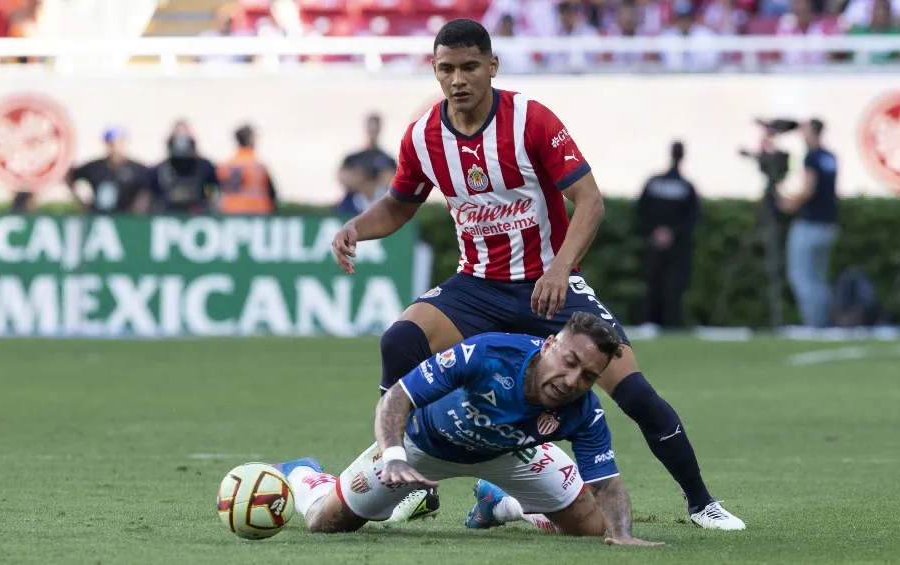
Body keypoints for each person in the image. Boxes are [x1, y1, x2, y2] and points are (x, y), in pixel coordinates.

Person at [330, 18, 745, 530]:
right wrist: (356, 227)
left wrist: (559, 268)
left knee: (635, 394)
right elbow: (399, 205)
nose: (458, 79)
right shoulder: (423, 137)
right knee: (400, 339)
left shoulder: (530, 119)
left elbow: (590, 201)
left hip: (551, 287)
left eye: (469, 67)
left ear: (491, 67)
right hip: (476, 286)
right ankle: (403, 472)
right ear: (434, 71)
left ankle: (701, 502)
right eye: (446, 69)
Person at [274, 313, 662, 546]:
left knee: (592, 527)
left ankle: (503, 503)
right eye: (570, 361)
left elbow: (607, 483)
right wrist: (393, 455)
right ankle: (305, 474)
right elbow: (397, 397)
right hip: (420, 448)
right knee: (326, 524)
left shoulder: (585, 409)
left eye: (588, 375)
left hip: (512, 454)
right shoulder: (487, 354)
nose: (572, 379)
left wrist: (624, 535)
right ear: (548, 346)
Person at [780, 118, 839, 328]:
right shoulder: (830, 157)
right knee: (819, 279)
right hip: (829, 223)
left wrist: (789, 203)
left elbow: (808, 188)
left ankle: (813, 323)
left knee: (801, 277)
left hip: (810, 223)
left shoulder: (812, 157)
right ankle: (824, 321)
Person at [636, 141, 701, 328]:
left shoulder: (658, 182)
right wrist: (665, 233)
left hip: (671, 244)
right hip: (667, 244)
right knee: (659, 283)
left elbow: (641, 210)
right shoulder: (685, 185)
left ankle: (664, 323)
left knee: (668, 284)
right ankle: (659, 322)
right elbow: (693, 217)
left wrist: (660, 232)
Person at [65, 127, 152, 214]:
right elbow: (71, 176)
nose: (115, 148)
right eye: (111, 144)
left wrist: (137, 210)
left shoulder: (137, 169)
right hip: (99, 216)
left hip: (126, 217)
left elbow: (147, 190)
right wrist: (82, 203)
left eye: (119, 144)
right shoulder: (94, 167)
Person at [217, 124, 278, 215]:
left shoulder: (226, 164)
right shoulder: (257, 165)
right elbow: (272, 193)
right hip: (256, 213)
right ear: (250, 139)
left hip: (230, 211)